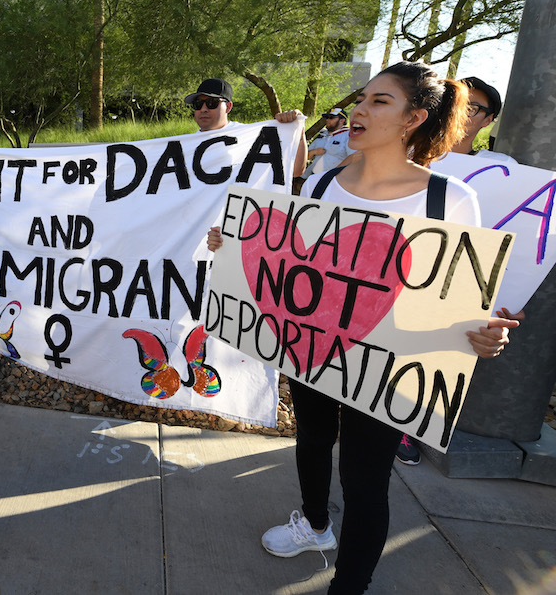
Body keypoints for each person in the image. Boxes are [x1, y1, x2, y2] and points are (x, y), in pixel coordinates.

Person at [205, 62, 519, 594]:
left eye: (380, 102)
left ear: (413, 120)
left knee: (364, 477)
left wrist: (486, 333)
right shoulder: (327, 183)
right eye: (363, 97)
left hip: (390, 369)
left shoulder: (449, 201)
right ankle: (315, 525)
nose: (359, 109)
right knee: (311, 441)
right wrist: (234, 247)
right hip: (314, 348)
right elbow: (296, 262)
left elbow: (464, 303)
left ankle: (350, 585)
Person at [184, 77, 308, 176]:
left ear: (228, 107)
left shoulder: (251, 137)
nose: (203, 109)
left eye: (212, 103)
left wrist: (298, 131)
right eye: (198, 104)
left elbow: (295, 170)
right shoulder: (184, 147)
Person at [302, 108, 352, 176]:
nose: (327, 120)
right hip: (313, 176)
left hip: (335, 178)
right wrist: (314, 152)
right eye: (327, 117)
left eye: (331, 118)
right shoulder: (322, 134)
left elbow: (353, 158)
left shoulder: (349, 136)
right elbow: (305, 157)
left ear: (342, 120)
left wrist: (334, 173)